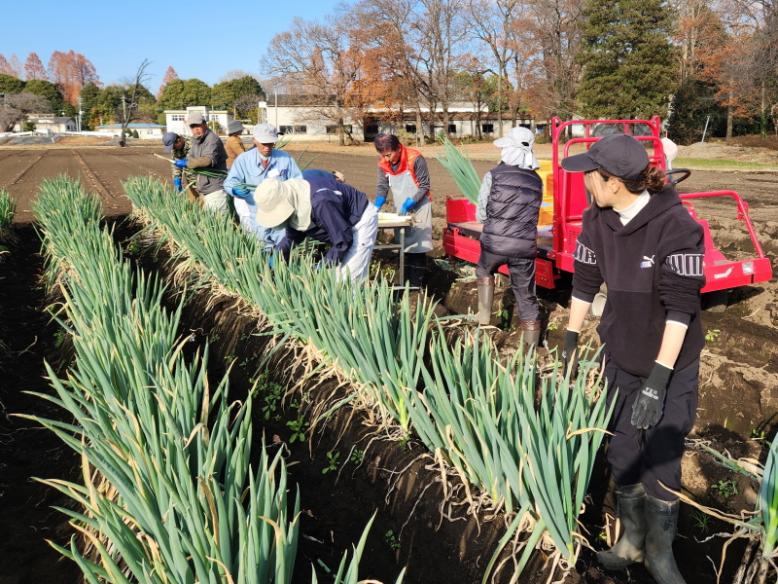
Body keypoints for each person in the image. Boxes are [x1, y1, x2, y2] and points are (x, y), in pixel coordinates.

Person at [561, 134, 705, 584]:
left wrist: (658, 379)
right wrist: (569, 339)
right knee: (623, 447)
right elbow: (584, 283)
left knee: (661, 453)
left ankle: (661, 556)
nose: (585, 180)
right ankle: (630, 543)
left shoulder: (677, 227)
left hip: (671, 363)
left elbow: (681, 309)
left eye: (591, 174)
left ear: (614, 182)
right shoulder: (595, 220)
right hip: (620, 356)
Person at [474, 126, 543, 350]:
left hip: (495, 244)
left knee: (484, 270)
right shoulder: (537, 181)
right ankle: (531, 351)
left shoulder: (494, 175)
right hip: (524, 249)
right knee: (526, 296)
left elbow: (481, 212)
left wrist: (490, 223)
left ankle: (484, 319)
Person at [254, 169, 378, 282]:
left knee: (348, 279)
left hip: (359, 222)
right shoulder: (296, 190)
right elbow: (292, 237)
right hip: (339, 225)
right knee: (336, 277)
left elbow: (343, 240)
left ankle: (355, 303)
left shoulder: (321, 202)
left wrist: (322, 266)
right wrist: (277, 256)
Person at [224, 123, 302, 250]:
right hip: (257, 214)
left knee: (283, 249)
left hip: (280, 214)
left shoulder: (284, 158)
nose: (267, 147)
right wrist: (235, 189)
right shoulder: (244, 160)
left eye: (271, 143)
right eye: (264, 143)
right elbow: (229, 182)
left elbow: (298, 181)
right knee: (261, 247)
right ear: (255, 140)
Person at [374, 133, 433, 286]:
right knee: (404, 247)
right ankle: (405, 283)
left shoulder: (415, 158)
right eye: (383, 155)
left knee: (418, 248)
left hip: (419, 207)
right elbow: (382, 187)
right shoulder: (383, 164)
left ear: (398, 148)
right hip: (401, 210)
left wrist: (411, 203)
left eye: (389, 154)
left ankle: (416, 286)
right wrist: (376, 205)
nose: (387, 159)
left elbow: (425, 186)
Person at [173, 112, 229, 213]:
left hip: (216, 188)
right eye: (193, 127)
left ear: (204, 124)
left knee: (216, 222)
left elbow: (207, 160)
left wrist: (187, 163)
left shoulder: (212, 140)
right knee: (210, 221)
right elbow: (191, 155)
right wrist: (178, 176)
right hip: (205, 188)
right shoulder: (197, 140)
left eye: (198, 126)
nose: (196, 129)